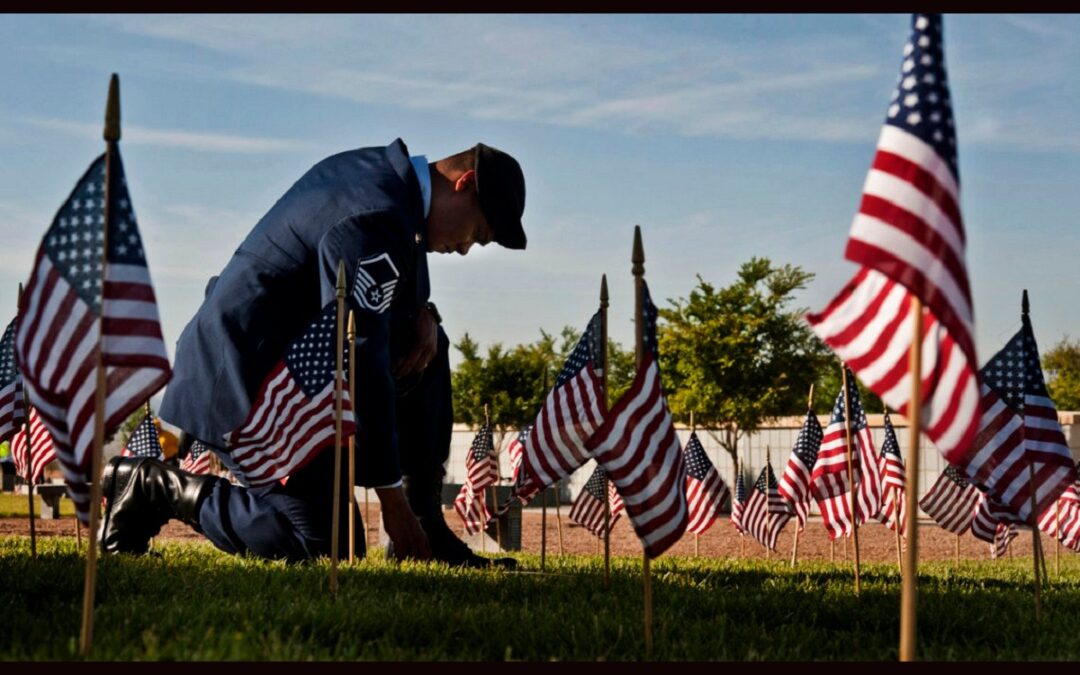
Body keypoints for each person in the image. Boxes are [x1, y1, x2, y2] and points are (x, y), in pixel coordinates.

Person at [98, 139, 525, 567]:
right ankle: (151, 486)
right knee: (327, 545)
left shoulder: (395, 192)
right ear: (463, 184)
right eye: (478, 233)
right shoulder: (377, 212)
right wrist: (390, 497)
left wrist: (424, 314)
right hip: (245, 379)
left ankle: (425, 527)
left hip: (297, 371)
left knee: (427, 341)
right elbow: (360, 351)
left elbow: (383, 310)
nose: (467, 247)